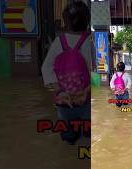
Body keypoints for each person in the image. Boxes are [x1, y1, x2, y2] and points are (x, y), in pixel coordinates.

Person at [41, 1, 92, 145]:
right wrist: (87, 91)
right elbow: (98, 74)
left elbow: (46, 68)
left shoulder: (59, 42)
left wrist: (59, 92)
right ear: (87, 21)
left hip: (64, 102)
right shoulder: (90, 42)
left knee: (68, 139)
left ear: (66, 22)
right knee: (88, 136)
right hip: (86, 101)